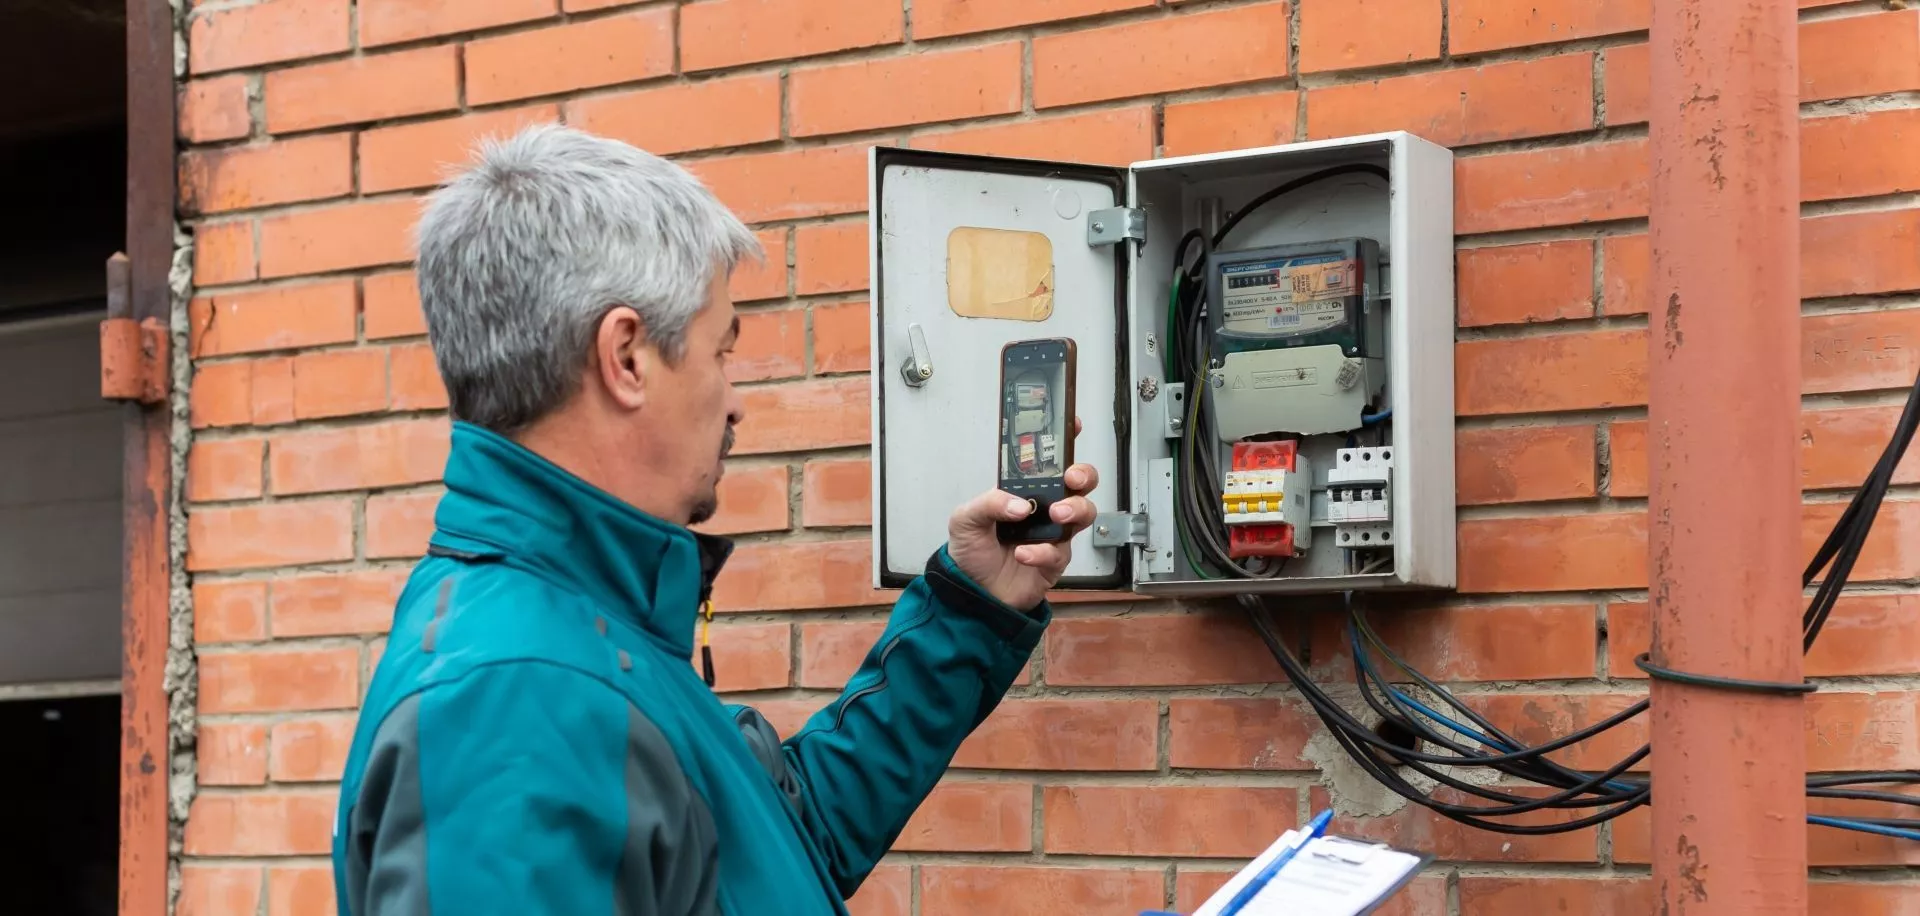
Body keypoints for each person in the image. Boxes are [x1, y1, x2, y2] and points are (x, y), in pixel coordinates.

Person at [330, 123, 1100, 916]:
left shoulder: (590, 636)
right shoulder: (513, 706)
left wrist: (972, 610)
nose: (735, 399)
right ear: (627, 358)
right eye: (721, 351)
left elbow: (778, 848)